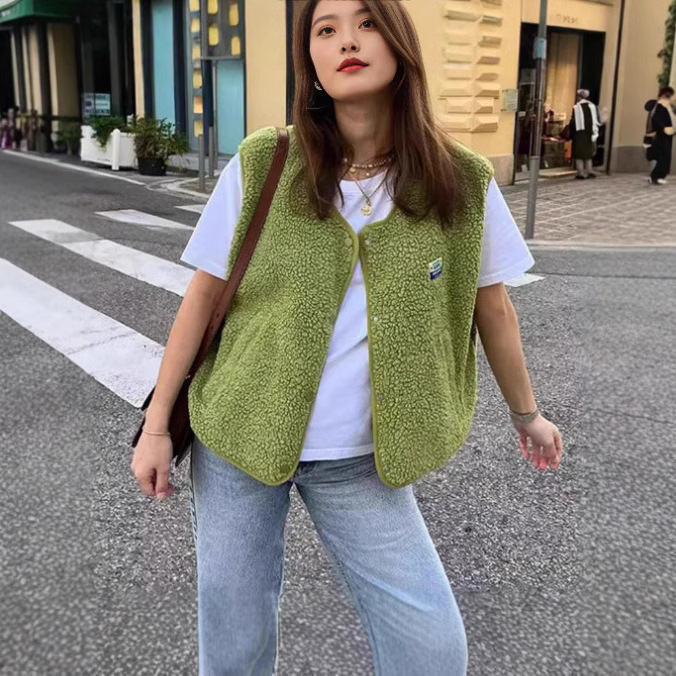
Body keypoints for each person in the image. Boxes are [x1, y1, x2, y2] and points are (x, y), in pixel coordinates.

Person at [131, 1, 564, 674]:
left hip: (361, 459)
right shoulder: (265, 162)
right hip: (240, 437)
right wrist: (158, 425)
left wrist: (526, 414)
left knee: (431, 649)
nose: (346, 42)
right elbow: (203, 299)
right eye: (325, 30)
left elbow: (495, 308)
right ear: (310, 58)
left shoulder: (460, 180)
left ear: (399, 43)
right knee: (236, 644)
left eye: (365, 23)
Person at [645, 86, 675, 185]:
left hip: (667, 135)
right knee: (663, 155)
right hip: (661, 135)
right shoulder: (659, 107)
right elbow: (656, 120)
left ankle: (656, 176)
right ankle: (657, 176)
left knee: (664, 155)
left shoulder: (669, 107)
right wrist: (663, 128)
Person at [569, 88, 600, 179]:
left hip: (579, 134)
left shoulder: (576, 107)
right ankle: (589, 171)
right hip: (589, 133)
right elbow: (596, 120)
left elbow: (573, 122)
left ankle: (581, 173)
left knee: (579, 155)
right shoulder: (592, 106)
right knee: (588, 155)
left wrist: (570, 133)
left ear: (579, 97)